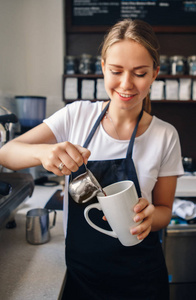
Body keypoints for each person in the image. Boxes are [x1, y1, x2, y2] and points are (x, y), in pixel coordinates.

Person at [0, 19, 184, 299]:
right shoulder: (76, 116)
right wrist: (43, 152)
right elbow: (7, 153)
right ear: (102, 68)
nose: (126, 84)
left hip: (142, 279)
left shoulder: (165, 136)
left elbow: (164, 210)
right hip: (82, 277)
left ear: (155, 74)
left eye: (140, 73)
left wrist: (151, 217)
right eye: (116, 71)